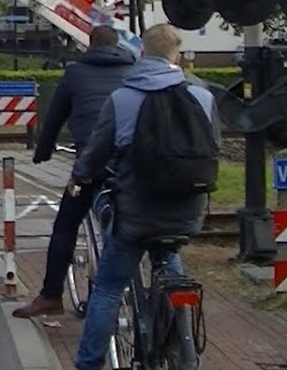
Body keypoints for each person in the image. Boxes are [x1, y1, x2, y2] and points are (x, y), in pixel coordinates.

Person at [68, 23, 219, 370]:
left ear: (141, 54)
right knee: (169, 258)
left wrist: (79, 177)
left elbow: (96, 151)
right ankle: (179, 338)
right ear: (175, 56)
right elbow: (214, 148)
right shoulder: (203, 97)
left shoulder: (122, 98)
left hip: (138, 213)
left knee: (108, 286)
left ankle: (87, 364)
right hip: (188, 212)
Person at [12, 25, 135, 318]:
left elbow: (54, 118)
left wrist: (42, 153)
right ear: (118, 46)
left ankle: (51, 296)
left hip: (93, 164)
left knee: (66, 225)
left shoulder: (76, 73)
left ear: (89, 45)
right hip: (132, 164)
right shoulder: (134, 70)